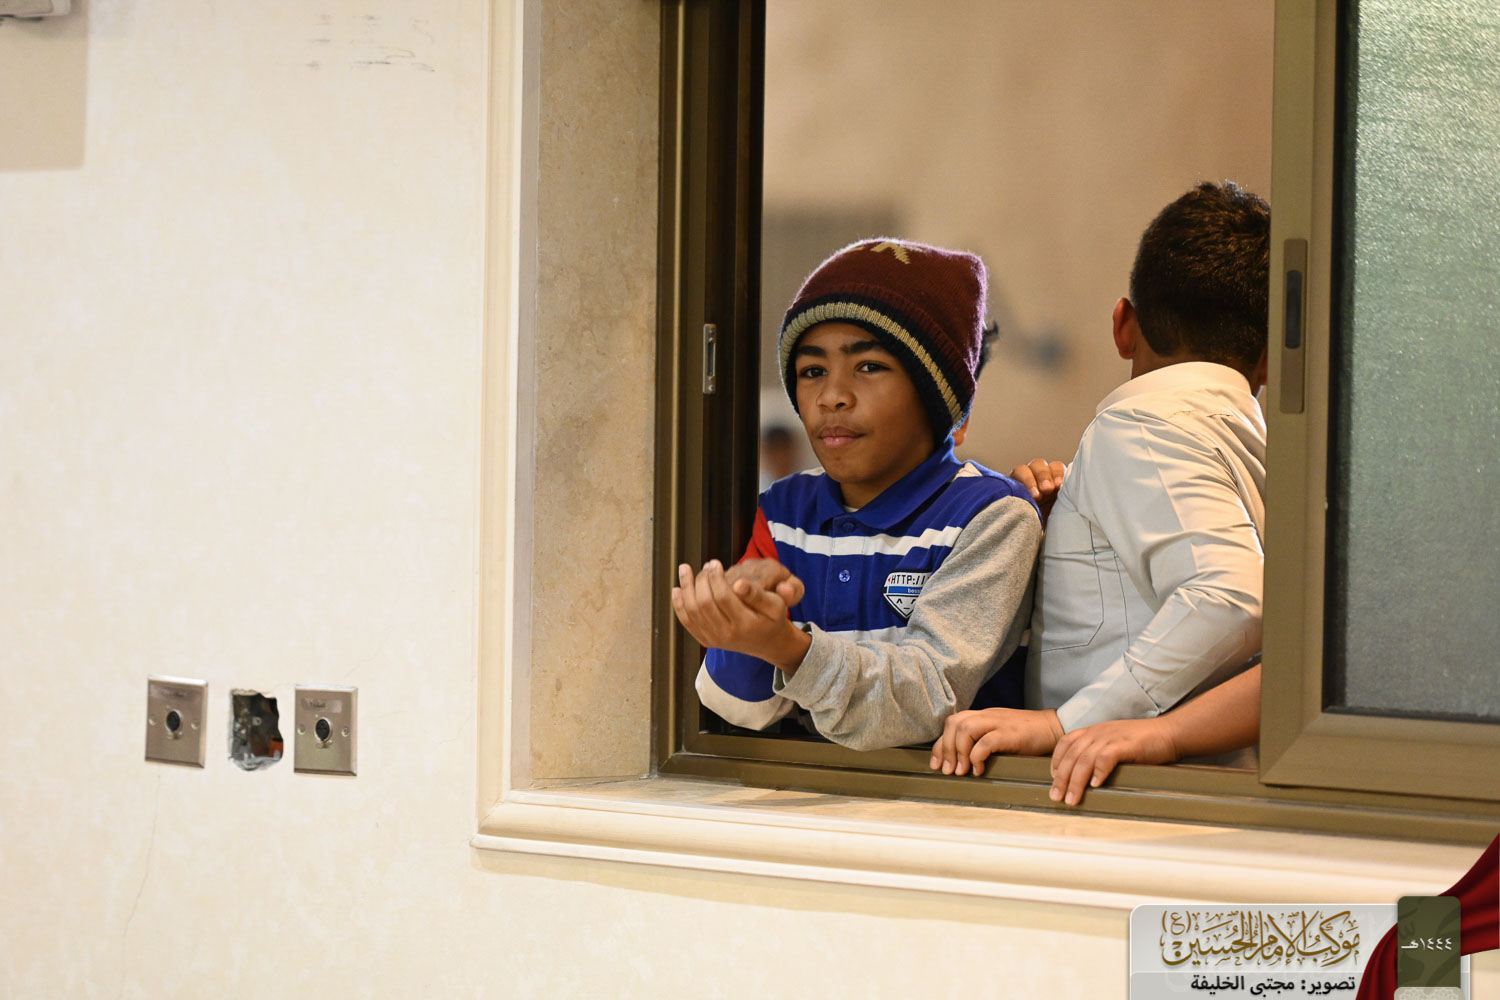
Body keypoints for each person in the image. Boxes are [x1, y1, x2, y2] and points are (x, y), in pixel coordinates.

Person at [930, 180, 1270, 779]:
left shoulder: (1141, 426)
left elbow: (1232, 596)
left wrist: (1064, 724)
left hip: (1125, 789)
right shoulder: (1249, 446)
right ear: (1268, 361)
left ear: (1123, 326)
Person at [673, 239, 1043, 750]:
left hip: (948, 797)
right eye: (812, 371)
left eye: (868, 366)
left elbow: (926, 700)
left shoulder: (992, 516)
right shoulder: (785, 511)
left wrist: (790, 648)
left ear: (940, 397)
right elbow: (742, 709)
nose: (832, 396)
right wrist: (743, 624)